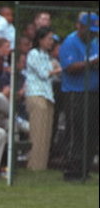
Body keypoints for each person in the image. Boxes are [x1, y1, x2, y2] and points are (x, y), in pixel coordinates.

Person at [59, 12, 99, 180]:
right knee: (77, 132)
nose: (93, 33)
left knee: (91, 131)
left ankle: (85, 169)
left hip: (93, 92)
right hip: (76, 93)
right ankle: (72, 170)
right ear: (79, 26)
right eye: (90, 30)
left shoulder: (95, 42)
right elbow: (69, 67)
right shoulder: (70, 42)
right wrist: (93, 62)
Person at [25, 27, 61, 170]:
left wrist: (55, 69)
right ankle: (33, 165)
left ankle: (42, 165)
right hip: (36, 94)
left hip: (47, 95)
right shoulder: (33, 54)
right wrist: (60, 69)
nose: (51, 42)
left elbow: (52, 75)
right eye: (49, 39)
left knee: (46, 133)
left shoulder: (46, 55)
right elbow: (43, 74)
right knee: (37, 132)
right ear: (40, 39)